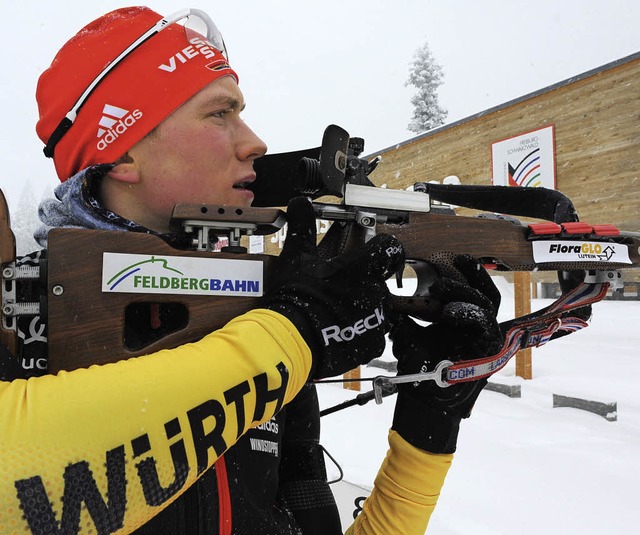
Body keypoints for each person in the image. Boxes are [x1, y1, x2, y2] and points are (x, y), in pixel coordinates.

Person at [0, 6, 503, 534]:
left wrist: (428, 426)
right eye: (221, 113)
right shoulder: (24, 312)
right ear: (123, 151)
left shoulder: (256, 311)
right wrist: (293, 334)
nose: (255, 142)